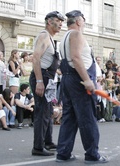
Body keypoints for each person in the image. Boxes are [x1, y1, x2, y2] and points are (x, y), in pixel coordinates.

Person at [57, 10, 108, 163]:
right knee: (87, 117)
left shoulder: (64, 36)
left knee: (69, 117)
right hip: (78, 80)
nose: (84, 23)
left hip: (68, 79)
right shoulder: (76, 35)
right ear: (79, 21)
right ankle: (92, 154)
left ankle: (63, 153)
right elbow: (76, 57)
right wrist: (87, 80)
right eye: (84, 20)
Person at [29, 11, 65, 156]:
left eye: (62, 21)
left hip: (48, 79)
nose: (61, 23)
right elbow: (36, 58)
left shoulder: (50, 38)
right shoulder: (44, 36)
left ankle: (48, 142)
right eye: (58, 20)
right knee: (42, 113)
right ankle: (38, 147)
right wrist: (39, 81)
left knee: (48, 112)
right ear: (49, 22)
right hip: (42, 78)